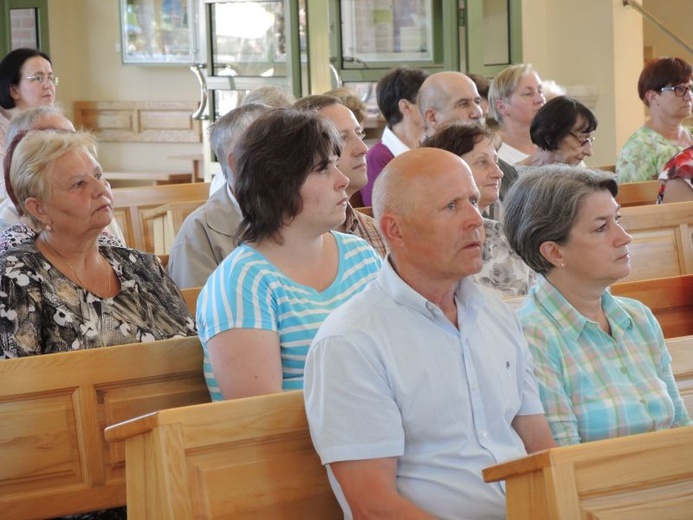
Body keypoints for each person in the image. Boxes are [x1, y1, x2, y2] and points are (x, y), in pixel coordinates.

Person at [304, 147, 556, 520]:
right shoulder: (351, 343)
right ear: (395, 229)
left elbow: (541, 450)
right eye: (451, 207)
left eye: (473, 200)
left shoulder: (496, 314)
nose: (477, 220)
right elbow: (373, 506)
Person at [196, 109, 381, 401]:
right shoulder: (241, 281)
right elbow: (261, 417)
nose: (342, 180)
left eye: (335, 164)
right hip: (299, 443)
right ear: (277, 184)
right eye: (322, 169)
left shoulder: (361, 256)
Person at [503, 166, 692, 445]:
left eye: (618, 219)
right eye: (601, 228)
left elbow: (680, 426)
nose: (624, 237)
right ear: (554, 252)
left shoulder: (637, 317)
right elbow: (567, 461)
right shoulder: (533, 336)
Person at [0, 129, 195, 357]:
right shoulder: (14, 279)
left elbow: (193, 344)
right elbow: (19, 385)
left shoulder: (141, 265)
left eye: (99, 176)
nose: (101, 189)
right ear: (39, 208)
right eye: (79, 184)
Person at [422, 122, 535, 297]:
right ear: (447, 171)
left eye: (496, 161)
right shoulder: (430, 246)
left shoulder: (509, 237)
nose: (499, 173)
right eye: (483, 163)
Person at [167, 104, 271, 288]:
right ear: (237, 163)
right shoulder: (198, 234)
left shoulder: (298, 212)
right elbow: (194, 312)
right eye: (276, 151)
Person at [0, 108, 125, 248]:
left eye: (98, 176)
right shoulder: (12, 241)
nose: (70, 145)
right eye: (79, 183)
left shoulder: (99, 212)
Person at [294, 95, 387, 257]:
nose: (363, 148)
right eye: (341, 138)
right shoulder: (290, 242)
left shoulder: (376, 231)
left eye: (360, 134)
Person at [418, 70, 519, 214]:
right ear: (433, 117)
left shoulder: (506, 172)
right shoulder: (415, 177)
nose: (478, 112)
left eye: (477, 102)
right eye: (464, 104)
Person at [617, 57, 693, 183]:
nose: (689, 96)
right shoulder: (638, 149)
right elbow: (635, 201)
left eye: (690, 88)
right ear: (653, 97)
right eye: (679, 89)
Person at [362, 67, 428, 205]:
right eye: (427, 101)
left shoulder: (428, 147)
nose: (433, 108)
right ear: (405, 106)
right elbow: (379, 214)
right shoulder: (378, 157)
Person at [0, 48, 58, 194]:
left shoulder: (55, 124)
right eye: (38, 78)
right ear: (14, 90)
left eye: (50, 78)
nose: (48, 85)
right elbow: (5, 189)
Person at [518, 96, 598, 168]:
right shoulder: (513, 178)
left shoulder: (580, 172)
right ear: (550, 137)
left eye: (589, 139)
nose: (589, 152)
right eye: (582, 139)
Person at [488, 64, 546, 164]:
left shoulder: (554, 142)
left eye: (540, 91)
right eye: (528, 93)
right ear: (502, 107)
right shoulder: (491, 150)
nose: (540, 99)